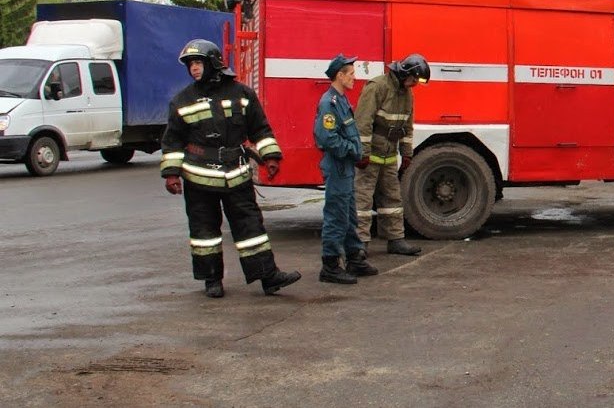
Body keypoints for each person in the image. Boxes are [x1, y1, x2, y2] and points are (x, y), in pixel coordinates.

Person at [159, 39, 300, 298]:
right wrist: (171, 174)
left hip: (236, 174)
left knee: (251, 228)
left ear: (213, 63)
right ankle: (212, 279)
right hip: (199, 177)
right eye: (190, 64)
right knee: (205, 232)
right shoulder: (182, 101)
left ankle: (268, 277)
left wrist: (270, 157)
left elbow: (260, 128)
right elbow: (172, 141)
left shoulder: (242, 94)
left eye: (198, 62)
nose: (194, 69)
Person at [353, 54, 430, 255]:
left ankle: (395, 239)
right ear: (404, 73)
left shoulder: (407, 94)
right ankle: (360, 244)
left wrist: (406, 154)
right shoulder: (377, 87)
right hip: (370, 156)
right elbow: (363, 122)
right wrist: (364, 153)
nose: (414, 85)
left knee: (392, 199)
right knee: (362, 200)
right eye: (414, 80)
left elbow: (407, 126)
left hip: (388, 156)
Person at [314, 54, 377, 285]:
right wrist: (352, 150)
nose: (354, 78)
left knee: (349, 215)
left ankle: (354, 258)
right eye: (350, 74)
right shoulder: (328, 103)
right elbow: (327, 138)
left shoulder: (341, 101)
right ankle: (330, 265)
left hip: (346, 167)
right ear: (339, 76)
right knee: (336, 215)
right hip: (338, 166)